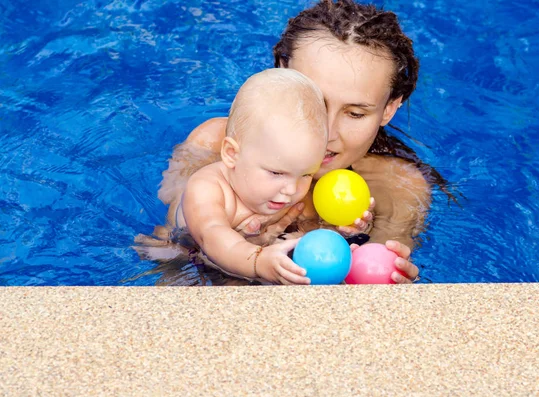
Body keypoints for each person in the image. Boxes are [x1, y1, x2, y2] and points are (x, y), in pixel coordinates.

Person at [154, 0, 455, 284]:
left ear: (388, 108)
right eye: (315, 102)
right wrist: (247, 251)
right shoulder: (213, 143)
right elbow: (171, 245)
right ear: (282, 72)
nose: (328, 133)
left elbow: (363, 289)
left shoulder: (395, 188)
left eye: (354, 113)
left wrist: (383, 273)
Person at [177, 68, 367, 284]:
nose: (291, 190)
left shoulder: (292, 194)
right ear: (232, 154)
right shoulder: (207, 189)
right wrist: (258, 261)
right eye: (276, 173)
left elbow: (309, 237)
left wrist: (340, 237)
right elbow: (212, 237)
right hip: (185, 254)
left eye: (306, 174)